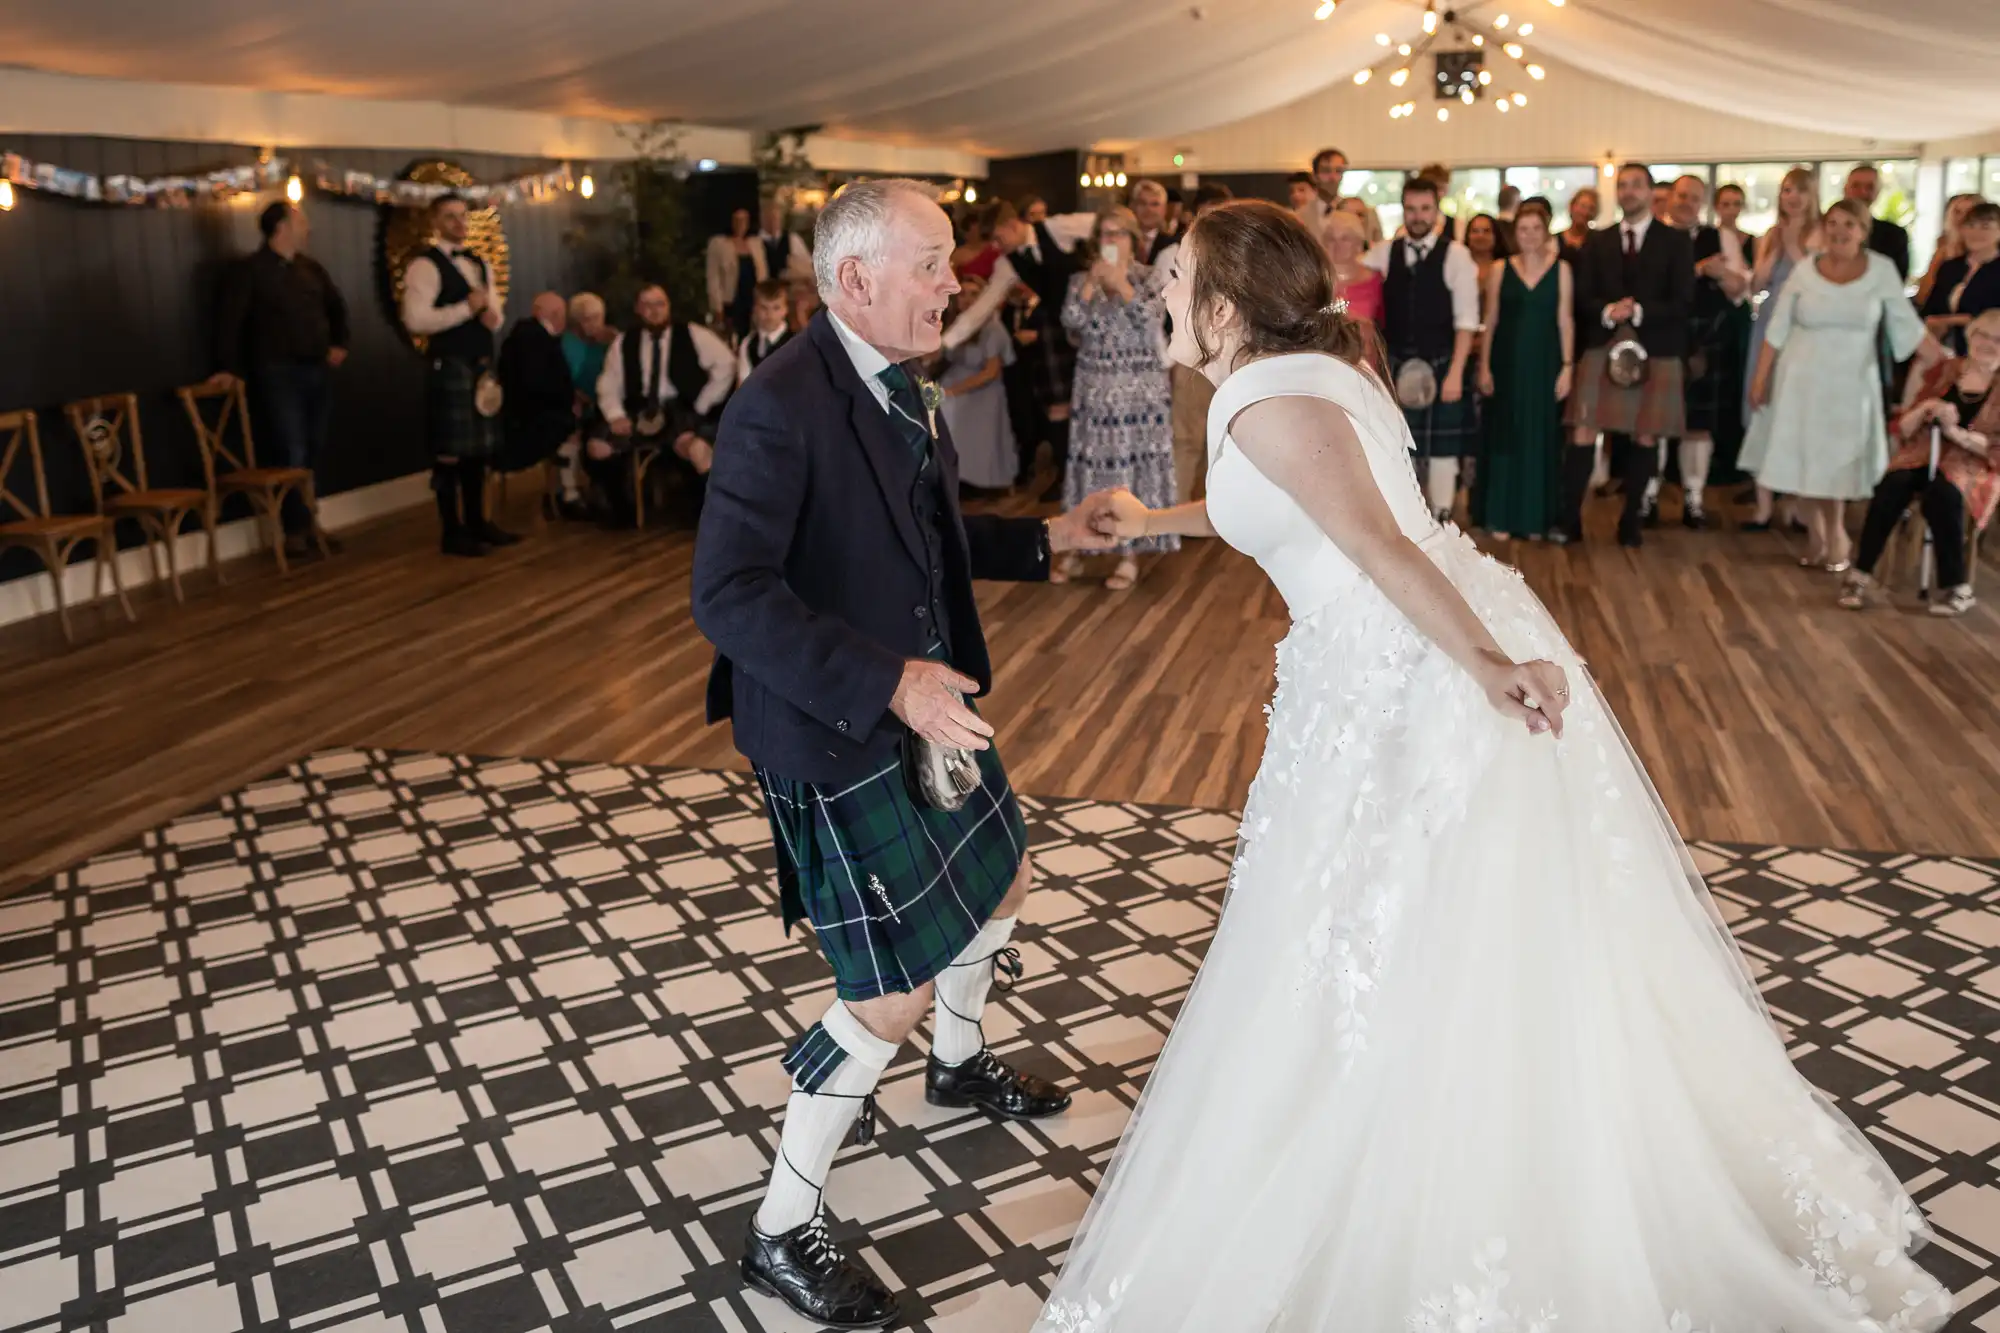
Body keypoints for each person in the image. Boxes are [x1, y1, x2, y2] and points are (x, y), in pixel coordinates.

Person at [1031, 197, 1953, 1333]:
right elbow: (1309, 508)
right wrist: (1152, 515)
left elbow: (1367, 543)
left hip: (1403, 668)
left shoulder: (1267, 401)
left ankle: (1409, 1188)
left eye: (1173, 278)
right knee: (1388, 926)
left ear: (1223, 304)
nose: (1160, 292)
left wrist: (1485, 664)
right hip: (1413, 638)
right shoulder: (1303, 374)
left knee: (1379, 933)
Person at [690, 178, 1122, 1330]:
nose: (955, 285)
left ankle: (957, 1062)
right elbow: (727, 595)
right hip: (836, 725)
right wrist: (888, 681)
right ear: (854, 280)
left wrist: (1046, 535)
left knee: (1005, 871)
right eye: (931, 265)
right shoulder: (779, 405)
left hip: (923, 701)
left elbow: (921, 531)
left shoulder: (894, 381)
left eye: (949, 264)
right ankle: (779, 1228)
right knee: (886, 990)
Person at [1745, 199, 1946, 571]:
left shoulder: (1881, 270)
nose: (1839, 231)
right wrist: (1760, 379)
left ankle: (1836, 532)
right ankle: (1819, 536)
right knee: (1803, 456)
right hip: (1801, 377)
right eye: (1833, 223)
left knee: (1836, 459)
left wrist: (1944, 361)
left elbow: (1905, 323)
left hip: (1852, 383)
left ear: (1863, 231)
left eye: (1849, 224)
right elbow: (1777, 327)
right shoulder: (1805, 269)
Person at [210, 200, 349, 560]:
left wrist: (339, 343)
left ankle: (310, 521)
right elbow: (230, 322)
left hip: (316, 367)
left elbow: (336, 308)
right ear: (282, 228)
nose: (307, 229)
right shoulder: (251, 271)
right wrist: (228, 366)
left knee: (314, 446)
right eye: (301, 222)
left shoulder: (310, 269)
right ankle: (295, 530)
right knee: (291, 449)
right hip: (277, 372)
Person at [1566, 163, 1695, 547]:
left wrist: (1637, 311)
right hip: (1603, 345)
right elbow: (1582, 296)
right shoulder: (1598, 241)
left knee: (1645, 436)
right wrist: (1608, 311)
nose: (1628, 192)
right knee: (1583, 428)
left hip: (1656, 348)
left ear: (1652, 191)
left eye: (1636, 185)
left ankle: (1631, 522)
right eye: (1622, 185)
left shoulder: (1676, 242)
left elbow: (1684, 301)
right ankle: (1570, 520)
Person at [1841, 306, 2000, 618]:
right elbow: (1905, 426)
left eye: (1998, 339)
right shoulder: (1946, 370)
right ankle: (1860, 573)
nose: (1988, 344)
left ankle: (1956, 586)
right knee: (1893, 484)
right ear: (1971, 336)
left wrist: (1956, 433)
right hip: (1926, 451)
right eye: (1982, 335)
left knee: (1944, 494)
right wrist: (1928, 406)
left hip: (1976, 463)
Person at [1057, 205, 1179, 591]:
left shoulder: (1150, 277)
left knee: (1130, 468)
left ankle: (1128, 553)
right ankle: (1080, 545)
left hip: (1139, 389)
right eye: (1105, 234)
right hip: (1094, 386)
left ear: (1132, 239)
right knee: (1090, 466)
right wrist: (1093, 284)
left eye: (1118, 233)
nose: (1111, 241)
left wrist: (1121, 284)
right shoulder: (1081, 278)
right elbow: (1071, 323)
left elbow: (1151, 318)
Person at [400, 193, 515, 557]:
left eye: (463, 217)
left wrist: (491, 318)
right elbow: (415, 320)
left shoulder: (479, 261)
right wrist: (466, 308)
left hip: (480, 367)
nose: (459, 224)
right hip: (449, 366)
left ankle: (479, 522)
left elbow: (492, 311)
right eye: (450, 217)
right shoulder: (424, 266)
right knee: (451, 453)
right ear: (435, 222)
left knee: (478, 452)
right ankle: (452, 531)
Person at [1365, 175, 1482, 522]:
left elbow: (1467, 321)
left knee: (1444, 446)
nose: (1418, 216)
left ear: (1437, 211)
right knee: (1404, 443)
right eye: (1411, 209)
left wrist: (1457, 373)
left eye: (1425, 209)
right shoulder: (1384, 253)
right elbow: (1353, 281)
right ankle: (1411, 517)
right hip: (1396, 363)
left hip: (1444, 361)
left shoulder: (1457, 256)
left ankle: (1443, 516)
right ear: (1403, 210)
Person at [592, 284, 735, 526]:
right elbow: (608, 382)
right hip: (639, 411)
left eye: (660, 304)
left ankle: (711, 519)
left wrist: (702, 404)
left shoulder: (692, 333)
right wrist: (615, 415)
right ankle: (624, 512)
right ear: (638, 309)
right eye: (648, 305)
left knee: (694, 449)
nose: (655, 311)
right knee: (597, 447)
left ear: (668, 306)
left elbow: (727, 365)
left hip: (679, 409)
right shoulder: (624, 342)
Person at [1475, 197, 1573, 541]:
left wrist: (1567, 367)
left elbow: (1565, 320)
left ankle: (1535, 519)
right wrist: (1484, 366)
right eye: (1522, 229)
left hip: (1545, 363)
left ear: (1546, 232)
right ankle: (1500, 514)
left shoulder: (1562, 269)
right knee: (1506, 434)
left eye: (1535, 229)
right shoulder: (1501, 269)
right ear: (1514, 233)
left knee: (1541, 437)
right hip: (1507, 362)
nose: (1529, 235)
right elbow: (1491, 320)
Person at [1739, 166, 1821, 531]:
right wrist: (1771, 248)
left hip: (1801, 324)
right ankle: (1762, 506)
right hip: (1768, 320)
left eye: (1800, 191)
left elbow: (1810, 273)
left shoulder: (1818, 233)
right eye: (1787, 190)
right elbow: (1756, 281)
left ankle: (1795, 505)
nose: (1793, 197)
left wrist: (1790, 239)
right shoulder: (1769, 234)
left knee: (1796, 411)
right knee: (1762, 406)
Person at [939, 274, 1017, 491]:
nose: (967, 299)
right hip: (954, 381)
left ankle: (975, 482)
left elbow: (990, 372)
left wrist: (952, 391)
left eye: (974, 294)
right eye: (963, 294)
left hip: (981, 388)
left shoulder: (992, 328)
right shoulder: (956, 326)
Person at [496, 292, 579, 484]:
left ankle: (563, 492)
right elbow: (539, 385)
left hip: (512, 423)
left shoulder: (517, 337)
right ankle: (567, 494)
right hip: (531, 427)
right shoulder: (538, 341)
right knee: (573, 427)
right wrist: (569, 403)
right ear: (557, 314)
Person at [1921, 199, 2000, 356]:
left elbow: (1990, 318)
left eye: (1985, 227)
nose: (1976, 233)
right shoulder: (1950, 267)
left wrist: (1948, 321)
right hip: (1945, 351)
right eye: (1970, 226)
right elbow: (1931, 309)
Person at [707, 207, 769, 337]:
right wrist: (717, 306)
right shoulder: (718, 244)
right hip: (731, 300)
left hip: (753, 299)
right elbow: (713, 277)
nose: (740, 224)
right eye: (737, 220)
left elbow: (763, 272)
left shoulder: (756, 243)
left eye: (744, 220)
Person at [1915, 193, 1984, 307]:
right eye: (1957, 212)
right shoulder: (1944, 250)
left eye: (1969, 212)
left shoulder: (1990, 254)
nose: (1962, 218)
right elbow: (1922, 297)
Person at [1846, 163, 1910, 281]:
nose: (1863, 192)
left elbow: (1897, 280)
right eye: (1856, 186)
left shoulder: (1895, 235)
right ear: (1845, 189)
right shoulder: (1824, 230)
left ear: (1878, 192)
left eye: (1870, 187)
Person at [1322, 210, 1384, 329]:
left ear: (1359, 244)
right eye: (1331, 238)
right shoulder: (1313, 280)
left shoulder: (1376, 281)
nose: (1337, 244)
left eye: (1345, 238)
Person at [736, 279, 795, 385]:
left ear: (785, 310)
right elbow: (742, 386)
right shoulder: (748, 344)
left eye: (776, 308)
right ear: (755, 309)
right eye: (764, 308)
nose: (770, 314)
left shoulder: (798, 344)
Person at [757, 195, 814, 287]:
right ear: (762, 218)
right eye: (769, 217)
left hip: (789, 291)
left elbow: (807, 266)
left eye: (776, 217)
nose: (773, 221)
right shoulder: (754, 241)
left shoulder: (792, 239)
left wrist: (791, 273)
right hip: (764, 291)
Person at [1559, 186, 1599, 257]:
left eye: (1591, 208)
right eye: (1583, 206)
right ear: (1572, 206)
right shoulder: (1555, 241)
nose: (1586, 212)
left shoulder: (1598, 240)